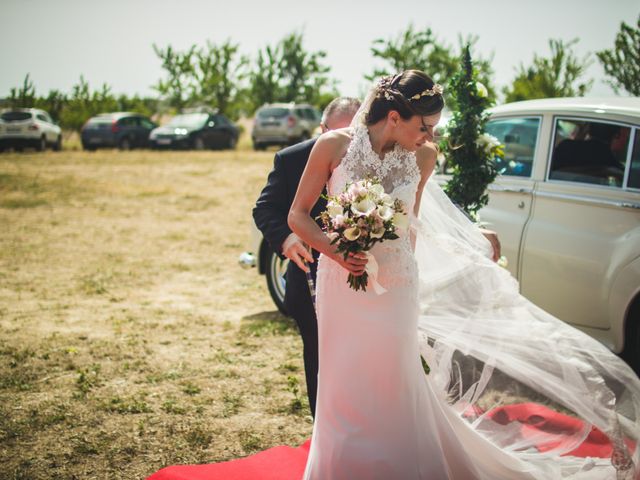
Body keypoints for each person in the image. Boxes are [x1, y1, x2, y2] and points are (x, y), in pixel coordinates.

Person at [288, 70, 640, 479]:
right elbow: (298, 215)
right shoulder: (334, 146)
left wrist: (458, 248)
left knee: (393, 379)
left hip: (398, 284)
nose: (428, 137)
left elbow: (412, 223)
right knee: (344, 378)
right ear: (395, 117)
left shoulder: (423, 156)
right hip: (342, 283)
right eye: (424, 127)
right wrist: (338, 250)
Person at [254, 97, 503, 420]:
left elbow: (421, 207)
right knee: (326, 365)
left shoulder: (408, 151)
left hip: (390, 279)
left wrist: (471, 230)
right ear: (323, 129)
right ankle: (330, 430)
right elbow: (269, 209)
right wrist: (289, 240)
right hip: (319, 276)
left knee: (386, 369)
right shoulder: (297, 157)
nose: (349, 135)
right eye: (338, 130)